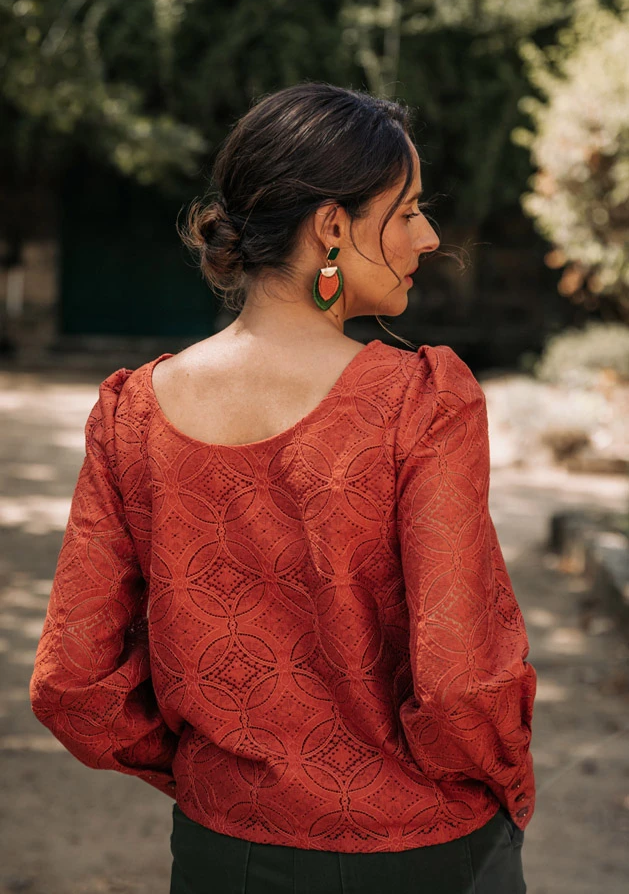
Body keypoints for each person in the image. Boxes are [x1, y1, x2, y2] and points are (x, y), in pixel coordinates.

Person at [29, 82, 536, 894]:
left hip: (223, 850)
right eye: (407, 211)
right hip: (424, 848)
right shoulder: (421, 402)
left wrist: (215, 771)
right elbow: (460, 680)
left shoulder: (131, 414)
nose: (429, 237)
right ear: (332, 227)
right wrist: (504, 784)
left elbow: (73, 680)